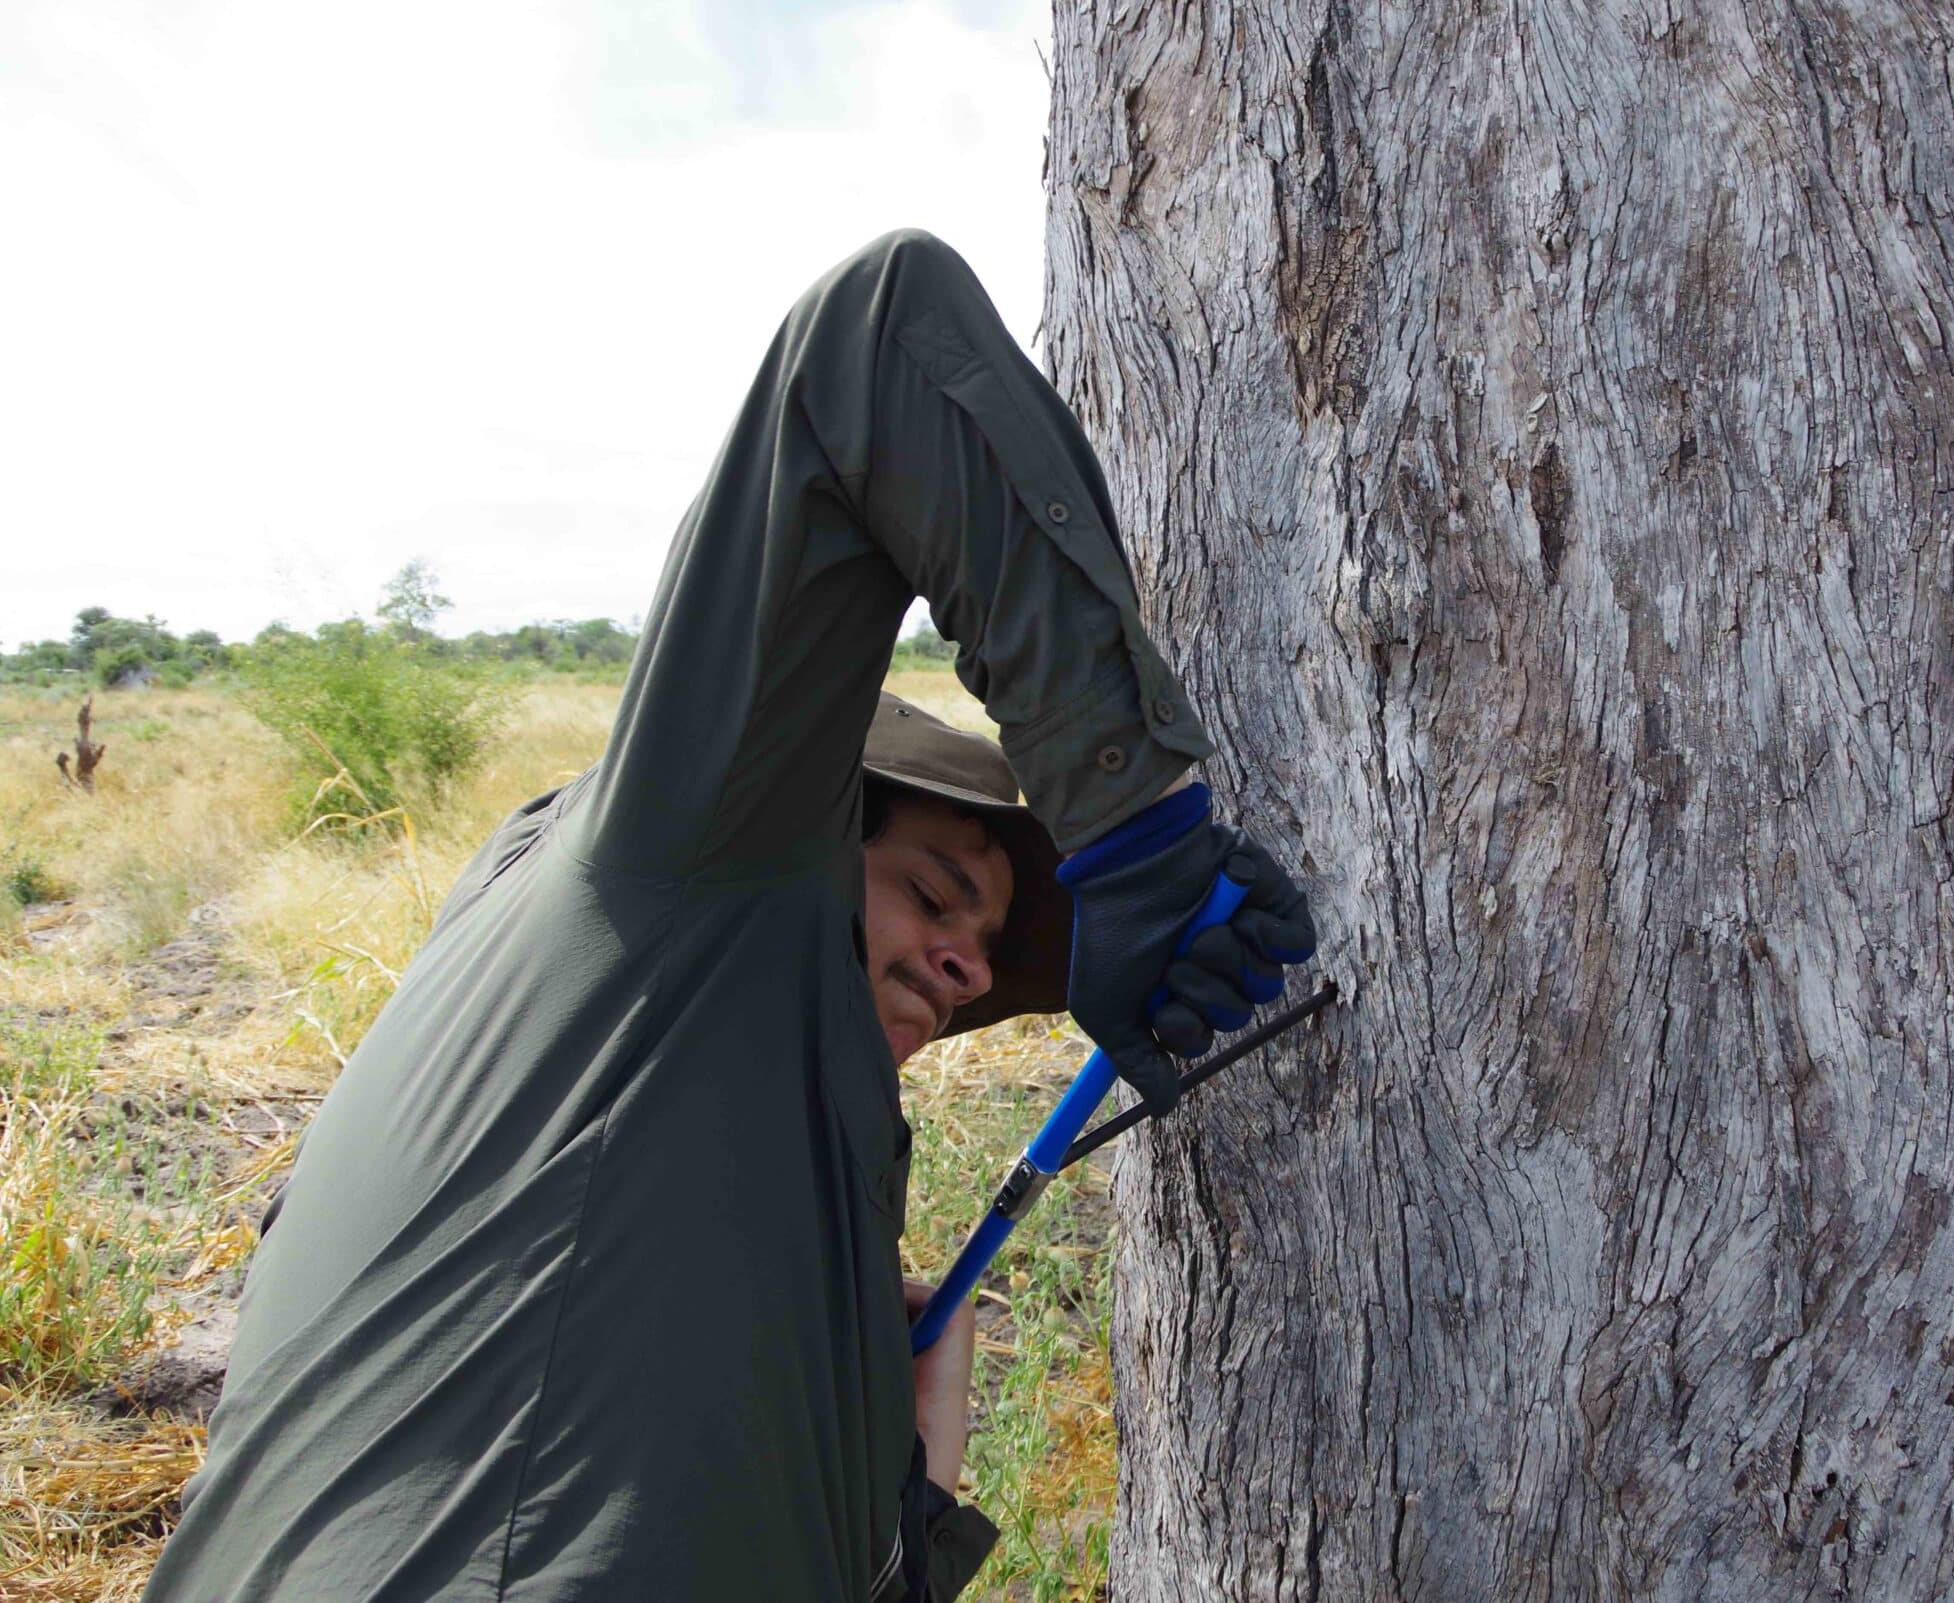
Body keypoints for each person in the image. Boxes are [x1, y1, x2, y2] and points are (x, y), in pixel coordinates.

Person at [143, 230, 1317, 1603]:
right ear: (792, 826)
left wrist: (903, 1496)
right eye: (938, 894)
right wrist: (1138, 840)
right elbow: (876, 338)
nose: (963, 968)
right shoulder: (667, 885)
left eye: (988, 962)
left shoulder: (599, 1089)